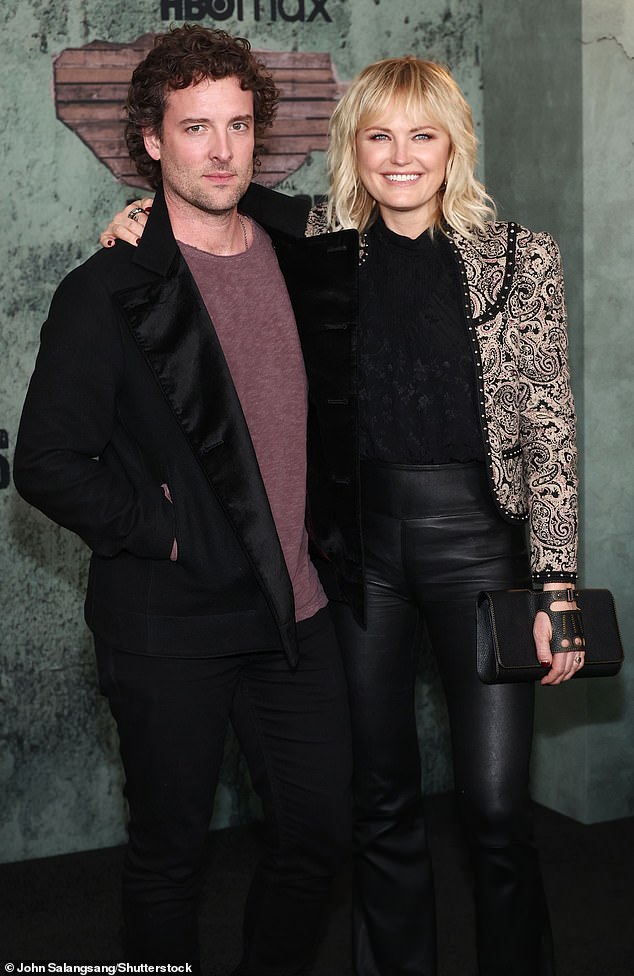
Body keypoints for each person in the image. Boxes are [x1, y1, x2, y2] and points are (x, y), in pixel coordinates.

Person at [103, 56, 585, 976]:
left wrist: (556, 585)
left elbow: (551, 430)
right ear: (352, 147)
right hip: (358, 558)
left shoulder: (525, 258)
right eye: (379, 136)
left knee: (492, 806)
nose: (401, 157)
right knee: (381, 798)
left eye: (423, 136)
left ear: (454, 147)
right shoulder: (316, 239)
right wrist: (139, 221)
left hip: (482, 547)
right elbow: (204, 214)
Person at [14, 25, 360, 974]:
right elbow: (45, 460)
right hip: (171, 623)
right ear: (153, 142)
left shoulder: (304, 246)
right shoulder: (108, 290)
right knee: (170, 859)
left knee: (320, 836)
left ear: (260, 133)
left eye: (239, 126)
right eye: (196, 127)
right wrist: (167, 531)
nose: (221, 150)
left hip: (298, 612)